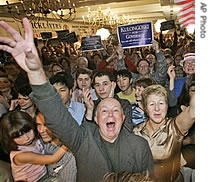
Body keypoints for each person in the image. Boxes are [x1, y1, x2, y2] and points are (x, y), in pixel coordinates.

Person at [0, 17, 154, 182]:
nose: (110, 114)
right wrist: (36, 72)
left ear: (123, 118)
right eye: (104, 110)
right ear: (96, 118)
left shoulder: (139, 145)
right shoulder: (83, 139)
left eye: (116, 110)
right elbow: (56, 116)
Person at [133, 84, 195, 182]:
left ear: (167, 106)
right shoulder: (136, 131)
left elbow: (193, 111)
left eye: (161, 103)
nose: (157, 108)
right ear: (145, 108)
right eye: (152, 104)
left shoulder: (175, 127)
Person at [0, 110, 68, 182]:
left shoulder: (35, 138)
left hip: (43, 175)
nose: (26, 138)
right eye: (18, 136)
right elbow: (53, 159)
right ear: (9, 138)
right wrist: (68, 143)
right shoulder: (20, 156)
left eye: (28, 131)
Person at [36, 112, 77, 182]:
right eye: (38, 125)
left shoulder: (68, 154)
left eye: (46, 125)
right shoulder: (39, 144)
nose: (41, 130)